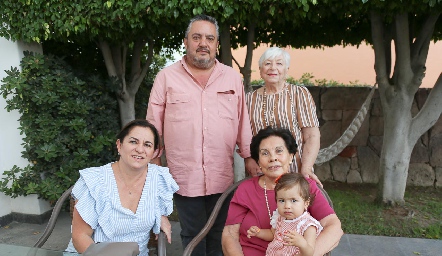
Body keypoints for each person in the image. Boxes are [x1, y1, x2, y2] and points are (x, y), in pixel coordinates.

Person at [146, 14, 259, 255]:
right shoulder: (166, 77)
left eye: (209, 38)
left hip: (221, 173)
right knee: (193, 233)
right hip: (185, 176)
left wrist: (249, 156)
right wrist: (154, 159)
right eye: (196, 37)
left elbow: (242, 120)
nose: (203, 43)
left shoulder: (231, 77)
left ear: (217, 44)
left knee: (221, 232)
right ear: (186, 42)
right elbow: (153, 124)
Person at [222, 127, 343, 256]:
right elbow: (230, 234)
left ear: (291, 156)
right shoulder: (246, 189)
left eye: (279, 151)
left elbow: (333, 227)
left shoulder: (305, 186)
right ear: (258, 161)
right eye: (265, 153)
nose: (273, 158)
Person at [66, 119, 179, 256]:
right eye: (133, 142)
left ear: (153, 153)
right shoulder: (96, 181)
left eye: (147, 145)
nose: (140, 149)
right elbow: (80, 237)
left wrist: (160, 215)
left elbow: (156, 205)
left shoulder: (159, 179)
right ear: (119, 145)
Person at [245, 47, 321, 186]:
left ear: (286, 69)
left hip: (295, 169)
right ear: (261, 70)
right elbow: (245, 136)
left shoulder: (299, 94)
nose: (273, 68)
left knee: (292, 205)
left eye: (279, 63)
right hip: (261, 169)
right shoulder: (249, 99)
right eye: (267, 64)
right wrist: (248, 159)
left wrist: (306, 167)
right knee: (262, 205)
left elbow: (311, 136)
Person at [247, 173, 323, 256]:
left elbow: (310, 253)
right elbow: (272, 234)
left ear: (306, 203)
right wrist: (259, 232)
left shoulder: (308, 225)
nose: (287, 206)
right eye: (282, 200)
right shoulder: (280, 218)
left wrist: (302, 243)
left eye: (293, 200)